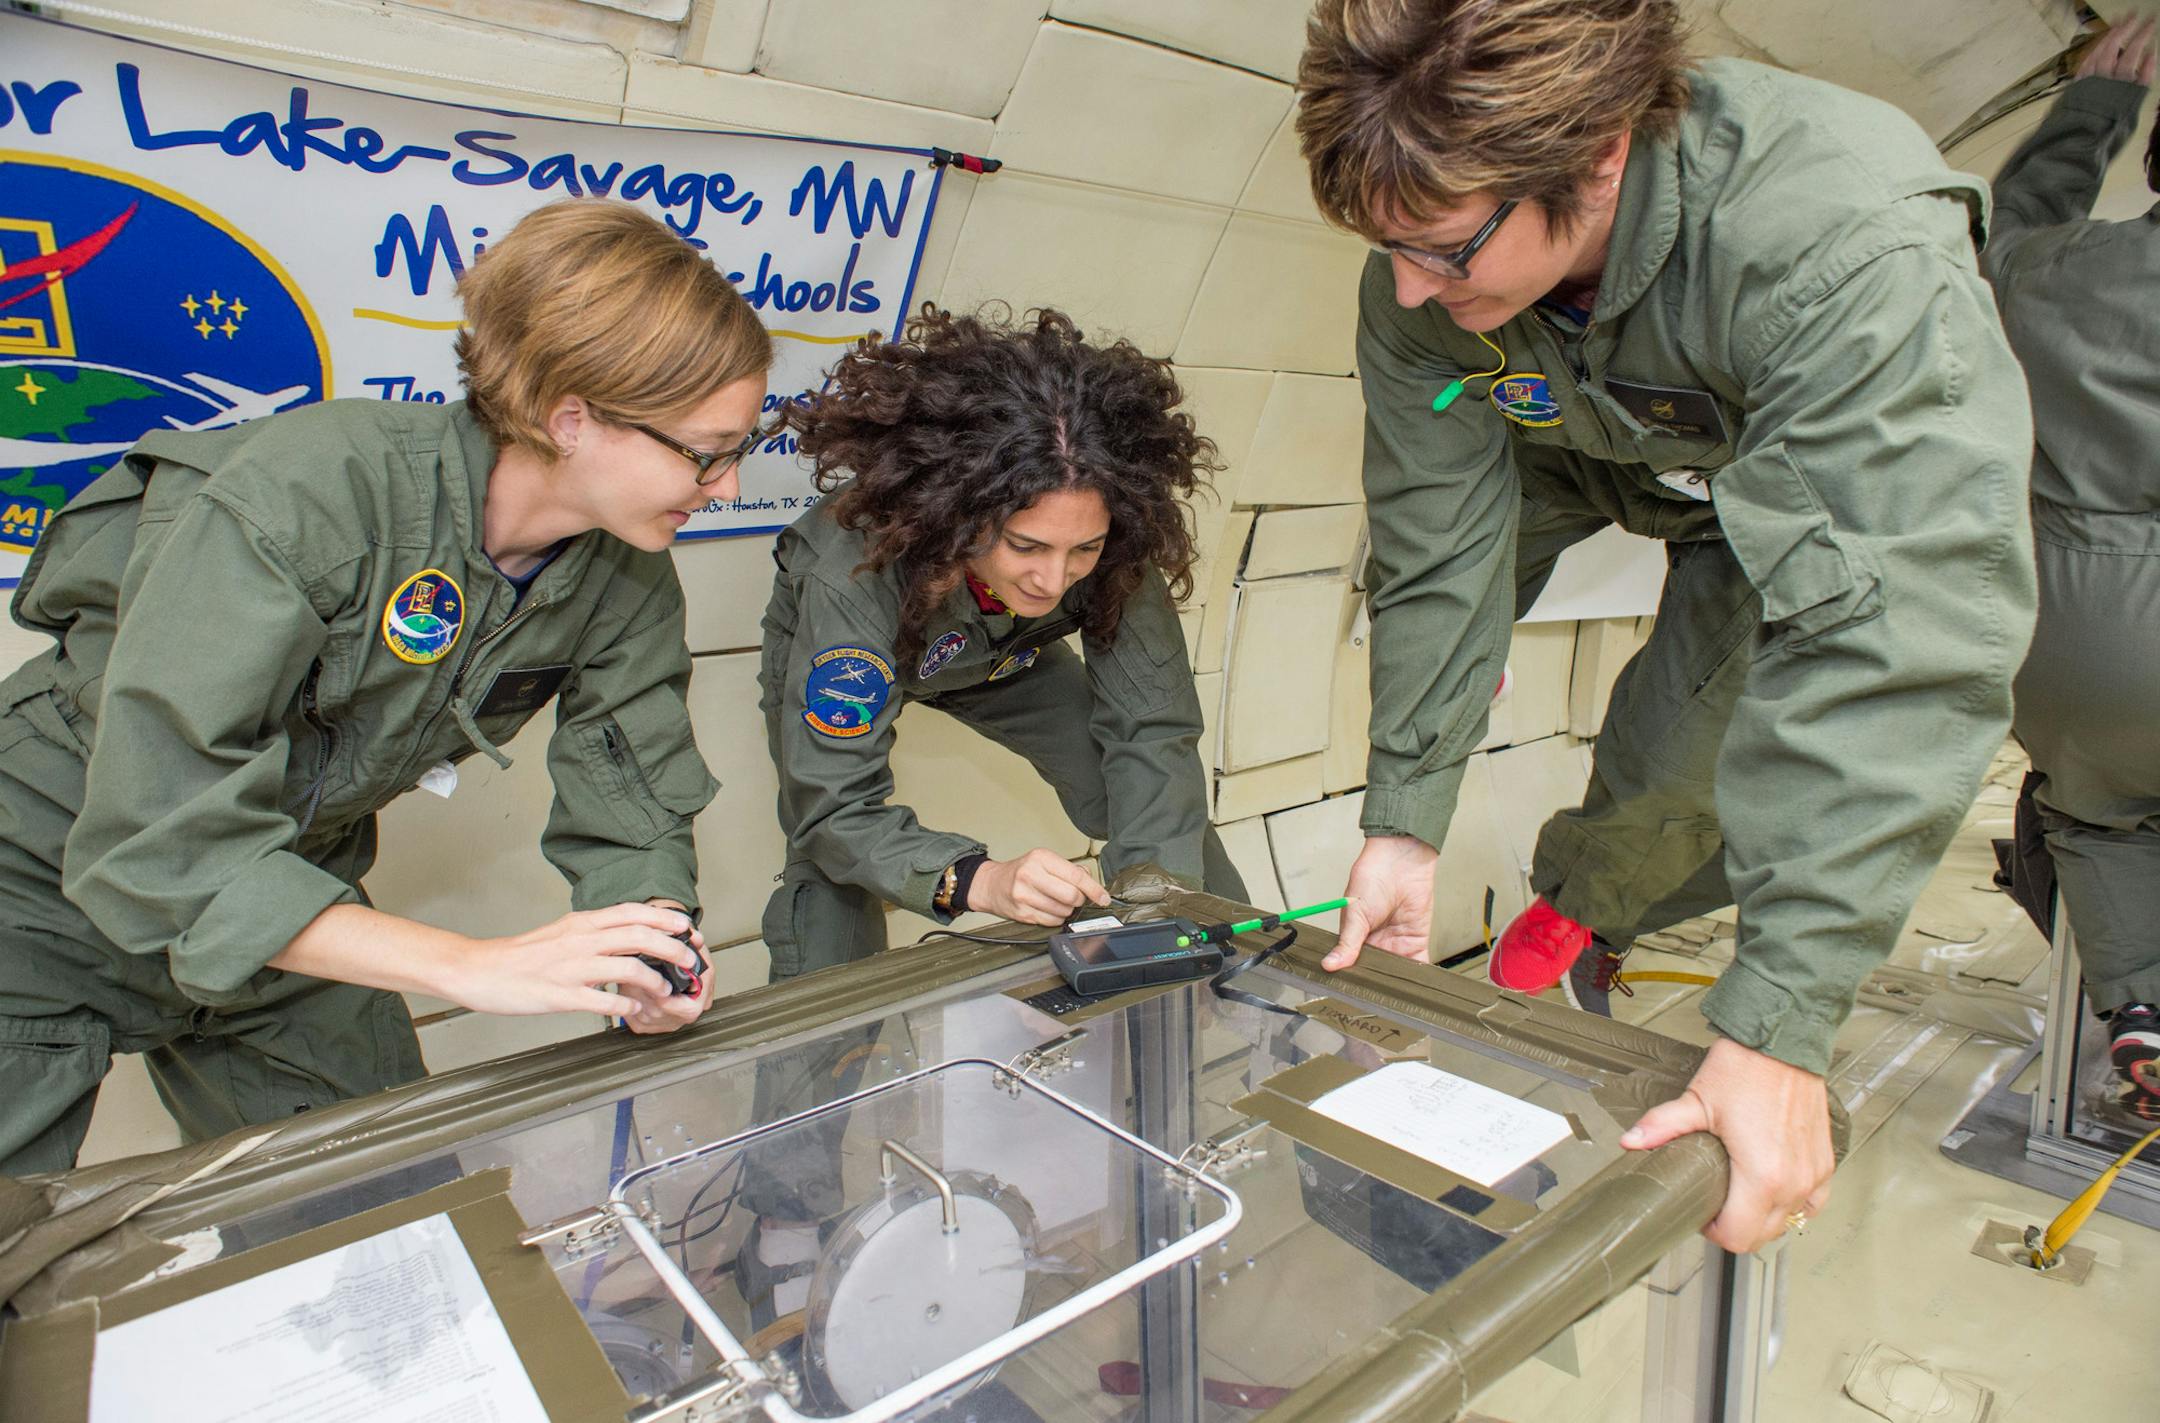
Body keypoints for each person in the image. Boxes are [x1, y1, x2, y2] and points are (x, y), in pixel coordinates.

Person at [1296, 0, 2036, 1253]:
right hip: (1579, 455)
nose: (1411, 286)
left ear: (1596, 156)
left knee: (1678, 742)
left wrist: (1775, 1030)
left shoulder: (1838, 245)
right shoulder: (1422, 279)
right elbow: (1435, 545)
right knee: (1437, 609)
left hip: (1776, 489)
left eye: (1444, 250)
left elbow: (1899, 635)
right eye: (1390, 248)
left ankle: (1587, 909)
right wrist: (1402, 821)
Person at [0, 199, 767, 1176]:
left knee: (387, 1200)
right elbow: (161, 833)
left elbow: (636, 796)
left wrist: (649, 951)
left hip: (284, 891)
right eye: (707, 452)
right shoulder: (311, 491)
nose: (727, 487)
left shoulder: (624, 579)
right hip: (37, 877)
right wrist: (474, 966)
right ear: (572, 416)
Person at [755, 304, 1244, 983]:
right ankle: (820, 1065)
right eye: (1026, 545)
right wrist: (977, 880)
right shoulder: (848, 577)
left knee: (1157, 805)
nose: (1053, 578)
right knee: (833, 866)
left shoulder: (1114, 544)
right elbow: (836, 805)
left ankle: (1238, 985)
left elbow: (1151, 729)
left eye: (1084, 550)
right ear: (959, 512)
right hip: (883, 640)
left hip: (1008, 654)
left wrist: (1161, 906)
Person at [1982, 17, 2160, 1115]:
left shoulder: (2060, 273)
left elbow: (1994, 242)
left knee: (2092, 811)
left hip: (2079, 635)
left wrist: (2093, 110)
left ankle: (2141, 1002)